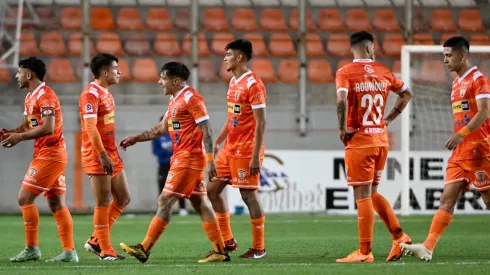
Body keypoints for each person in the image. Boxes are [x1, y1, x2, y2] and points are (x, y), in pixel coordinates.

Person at [118, 62, 230, 263]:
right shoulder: (174, 100)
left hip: (188, 159)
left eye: (163, 78)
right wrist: (136, 138)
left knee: (165, 200)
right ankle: (220, 250)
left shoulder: (192, 99)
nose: (159, 82)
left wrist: (211, 160)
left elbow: (207, 130)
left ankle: (144, 248)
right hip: (184, 158)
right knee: (200, 202)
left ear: (176, 81)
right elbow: (161, 129)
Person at [401, 37, 490, 261]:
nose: (445, 60)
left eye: (449, 55)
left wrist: (460, 134)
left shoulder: (478, 79)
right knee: (446, 199)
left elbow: (484, 112)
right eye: (444, 55)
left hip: (480, 150)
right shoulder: (456, 83)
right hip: (461, 153)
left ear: (463, 55)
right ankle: (428, 247)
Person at [335, 31, 413, 263]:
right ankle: (400, 237)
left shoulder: (345, 72)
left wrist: (342, 128)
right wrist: (390, 118)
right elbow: (406, 94)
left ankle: (365, 252)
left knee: (362, 197)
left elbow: (341, 100)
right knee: (372, 193)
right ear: (370, 48)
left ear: (353, 49)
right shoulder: (384, 72)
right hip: (380, 140)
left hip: (359, 142)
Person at [1, 56, 78, 262]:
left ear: (29, 74)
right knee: (56, 204)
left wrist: (21, 137)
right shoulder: (30, 97)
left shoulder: (46, 96)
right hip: (46, 154)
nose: (15, 76)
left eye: (18, 72)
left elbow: (48, 127)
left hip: (51, 155)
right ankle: (69, 252)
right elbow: (29, 124)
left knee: (24, 198)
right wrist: (12, 132)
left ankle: (32, 248)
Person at [206, 39, 267, 259]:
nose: (225, 58)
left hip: (247, 149)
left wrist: (256, 156)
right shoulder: (233, 83)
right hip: (230, 148)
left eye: (228, 54)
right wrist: (218, 141)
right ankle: (228, 241)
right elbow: (232, 118)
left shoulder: (253, 84)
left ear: (240, 57)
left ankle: (259, 248)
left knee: (248, 196)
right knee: (211, 190)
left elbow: (261, 122)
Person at [79, 53, 130, 260]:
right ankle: (105, 250)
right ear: (104, 72)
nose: (119, 72)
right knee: (103, 201)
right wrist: (101, 154)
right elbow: (91, 128)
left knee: (123, 197)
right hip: (97, 154)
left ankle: (95, 240)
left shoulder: (106, 92)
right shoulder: (90, 94)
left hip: (111, 154)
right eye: (116, 69)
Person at [152, 117, 188, 216]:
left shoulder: (176, 132)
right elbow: (155, 150)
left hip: (176, 163)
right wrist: (164, 151)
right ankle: (162, 208)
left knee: (179, 185)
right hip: (163, 163)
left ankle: (182, 208)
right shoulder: (157, 135)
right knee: (162, 185)